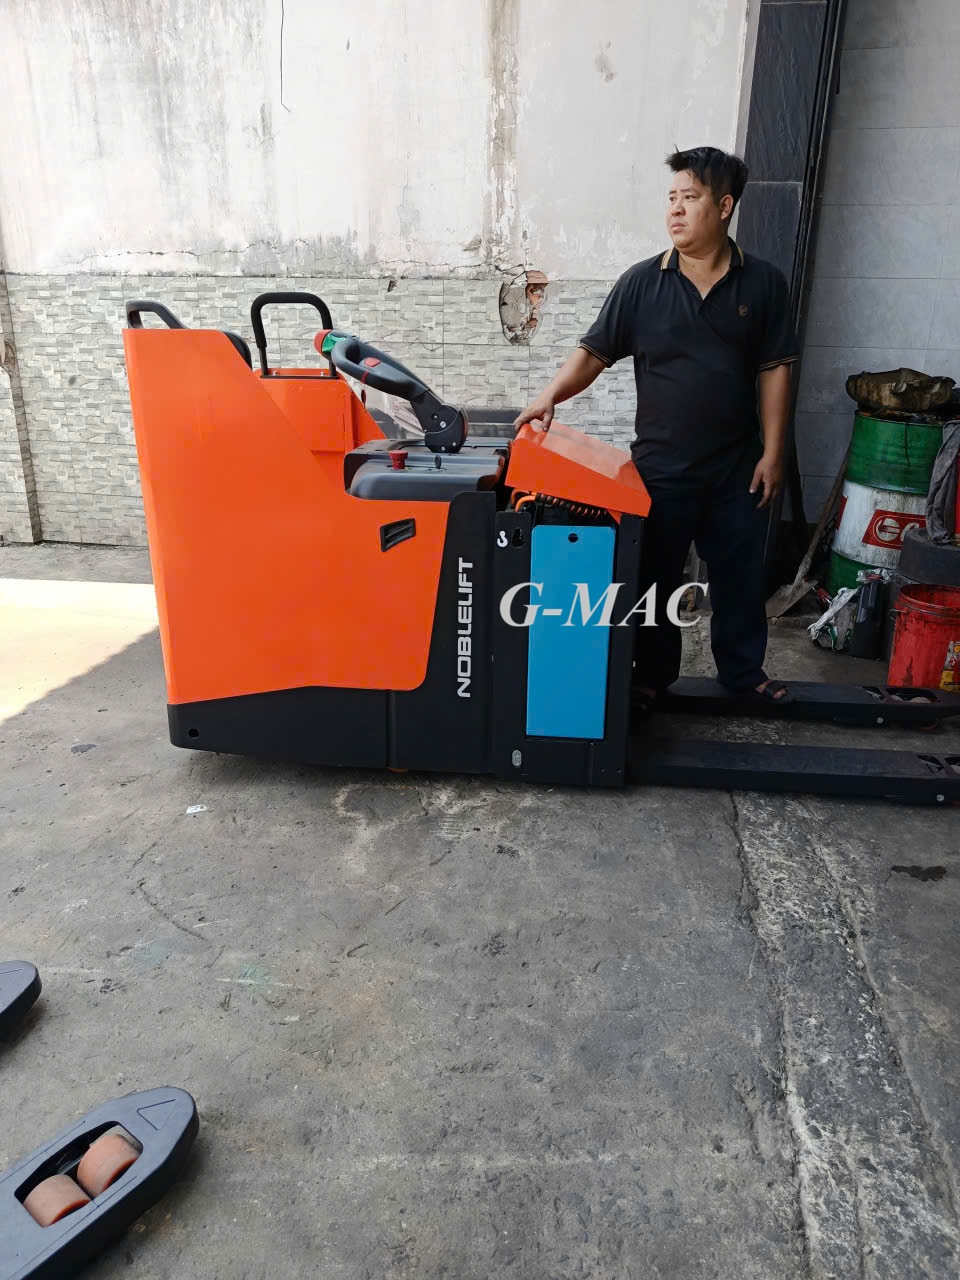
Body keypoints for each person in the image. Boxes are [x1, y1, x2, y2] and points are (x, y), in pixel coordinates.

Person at [513, 145, 798, 709]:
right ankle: (652, 676)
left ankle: (744, 673)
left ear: (724, 206)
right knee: (654, 577)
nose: (675, 210)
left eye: (690, 198)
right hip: (662, 466)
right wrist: (548, 397)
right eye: (671, 198)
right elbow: (593, 353)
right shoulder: (643, 283)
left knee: (740, 576)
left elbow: (775, 370)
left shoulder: (763, 284)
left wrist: (773, 452)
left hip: (737, 466)